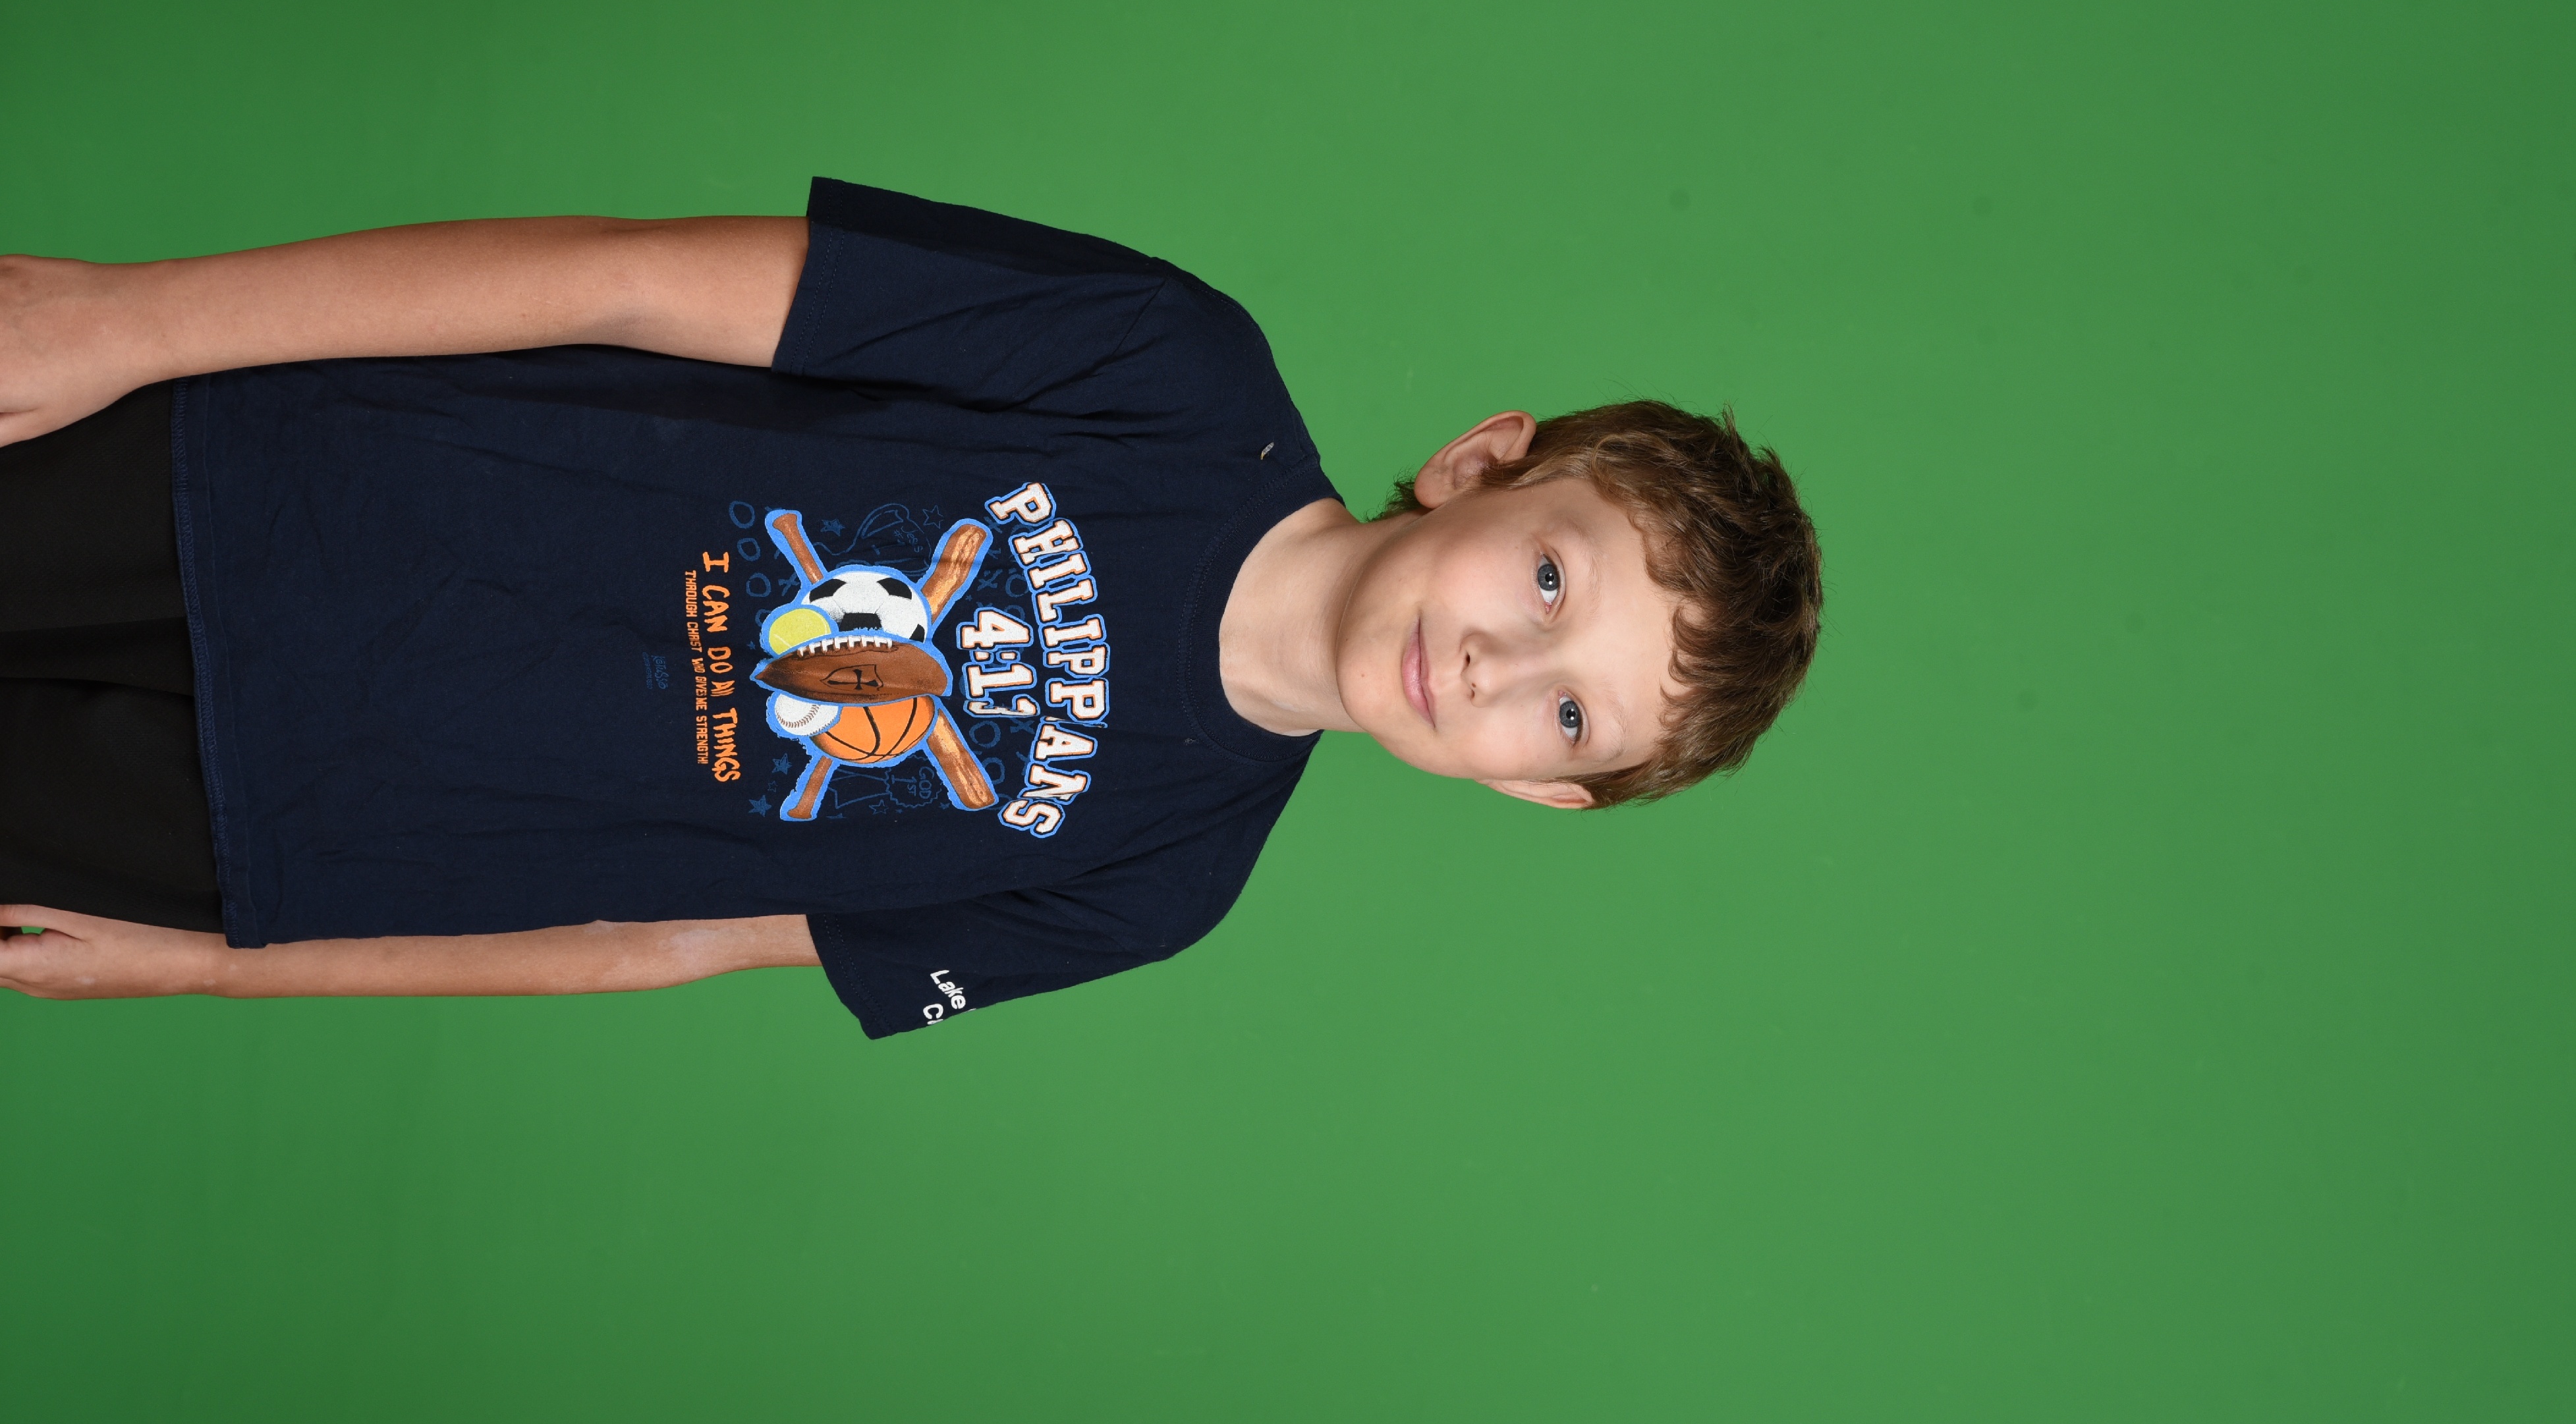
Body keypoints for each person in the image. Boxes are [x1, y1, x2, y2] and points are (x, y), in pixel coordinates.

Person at [0, 179, 1821, 1033]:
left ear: (1537, 789)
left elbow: (665, 945)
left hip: (287, 832)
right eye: (1552, 576)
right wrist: (129, 318)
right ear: (1484, 462)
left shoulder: (1158, 883)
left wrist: (206, 959)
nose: (1498, 660)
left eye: (1565, 711)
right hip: (273, 491)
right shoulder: (1173, 365)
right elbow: (629, 278)